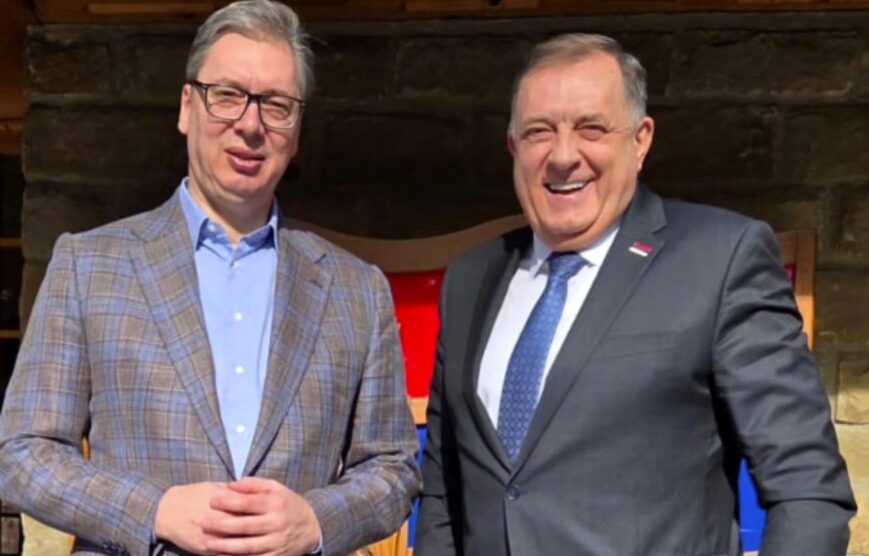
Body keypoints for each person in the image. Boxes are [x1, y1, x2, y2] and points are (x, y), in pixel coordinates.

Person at [0, 1, 420, 555]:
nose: (250, 124)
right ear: (186, 107)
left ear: (297, 131)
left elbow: (393, 467)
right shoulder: (89, 266)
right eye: (227, 95)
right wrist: (154, 511)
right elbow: (23, 453)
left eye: (276, 105)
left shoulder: (355, 290)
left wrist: (315, 520)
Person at [414, 33, 855, 556]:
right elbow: (444, 495)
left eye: (591, 128)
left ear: (641, 140)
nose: (563, 156)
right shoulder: (471, 279)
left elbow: (807, 489)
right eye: (538, 132)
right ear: (513, 146)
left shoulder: (719, 259)